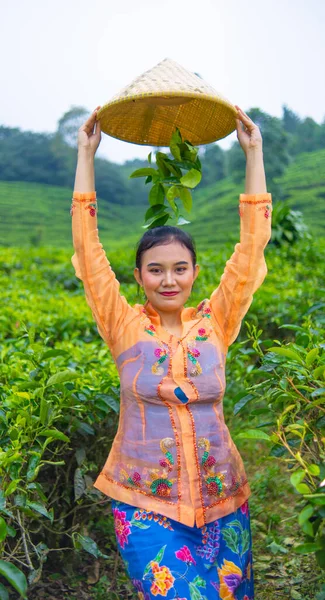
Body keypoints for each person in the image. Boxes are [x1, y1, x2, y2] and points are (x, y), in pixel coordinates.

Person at [71, 104, 272, 600]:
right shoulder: (123, 325)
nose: (168, 279)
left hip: (223, 498)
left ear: (195, 272)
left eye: (179, 268)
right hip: (145, 505)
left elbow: (251, 250)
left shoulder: (216, 321)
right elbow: (89, 252)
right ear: (138, 277)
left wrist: (254, 153)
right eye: (155, 269)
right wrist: (86, 157)